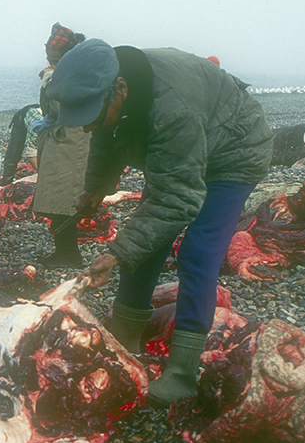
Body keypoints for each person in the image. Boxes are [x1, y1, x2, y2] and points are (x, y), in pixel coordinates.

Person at [44, 39, 272, 407]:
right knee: (148, 243)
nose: (88, 129)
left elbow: (178, 199)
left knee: (199, 253)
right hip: (180, 153)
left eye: (94, 116)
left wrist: (115, 253)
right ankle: (124, 337)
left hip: (232, 154)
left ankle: (182, 371)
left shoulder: (171, 110)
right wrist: (96, 188)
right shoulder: (110, 87)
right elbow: (104, 136)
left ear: (120, 89)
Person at [33, 23, 92, 267]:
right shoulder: (73, 69)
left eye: (53, 55)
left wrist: (49, 80)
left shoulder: (71, 74)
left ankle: (68, 254)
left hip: (70, 142)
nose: (50, 58)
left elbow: (59, 106)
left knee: (64, 200)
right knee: (59, 198)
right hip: (63, 140)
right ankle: (65, 251)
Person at [0, 103, 43, 183]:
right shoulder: (37, 129)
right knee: (13, 153)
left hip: (40, 117)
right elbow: (30, 155)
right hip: (22, 119)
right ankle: (6, 183)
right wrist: (44, 175)